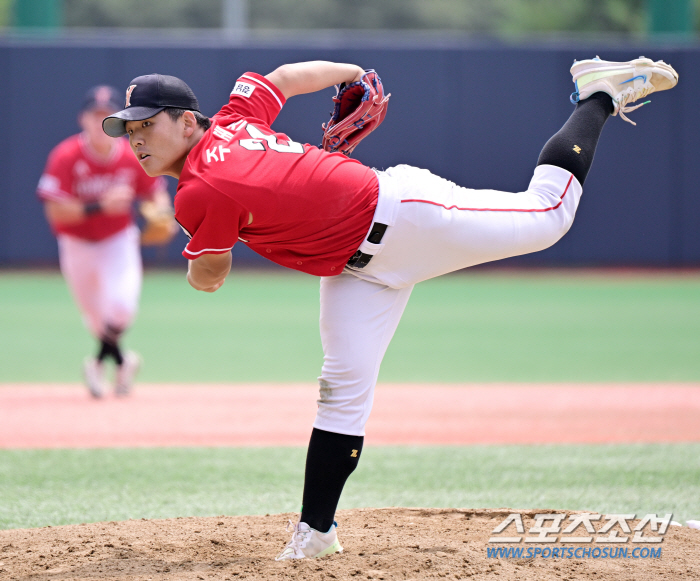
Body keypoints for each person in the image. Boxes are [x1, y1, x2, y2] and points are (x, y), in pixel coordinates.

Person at [101, 56, 677, 558]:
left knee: (548, 215)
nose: (138, 140)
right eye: (129, 130)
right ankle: (316, 531)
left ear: (185, 119)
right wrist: (355, 73)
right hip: (357, 270)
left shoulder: (202, 190)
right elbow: (281, 77)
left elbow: (210, 280)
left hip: (404, 217)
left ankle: (598, 93)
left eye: (148, 124)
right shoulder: (235, 118)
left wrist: (192, 247)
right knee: (342, 386)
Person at [38, 86, 174, 398]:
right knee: (97, 319)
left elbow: (155, 191)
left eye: (107, 116)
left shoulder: (132, 154)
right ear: (82, 119)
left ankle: (97, 363)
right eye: (94, 115)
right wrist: (99, 205)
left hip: (117, 241)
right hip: (76, 244)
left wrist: (162, 214)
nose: (100, 121)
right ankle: (123, 361)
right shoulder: (66, 155)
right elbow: (55, 211)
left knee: (122, 307)